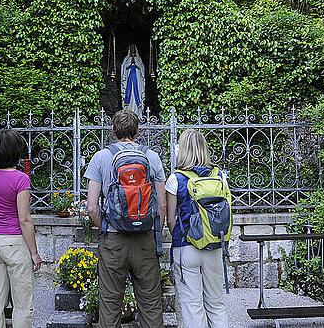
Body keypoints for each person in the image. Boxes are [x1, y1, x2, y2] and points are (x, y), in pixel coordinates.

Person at [85, 109, 166, 328]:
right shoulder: (151, 157)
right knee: (150, 304)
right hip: (145, 240)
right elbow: (162, 205)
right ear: (138, 131)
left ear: (113, 131)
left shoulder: (101, 158)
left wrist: (105, 227)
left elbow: (92, 207)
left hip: (113, 241)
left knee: (110, 304)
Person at [166, 129, 229, 328]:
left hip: (186, 248)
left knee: (192, 305)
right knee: (216, 303)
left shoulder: (175, 179)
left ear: (183, 150)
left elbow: (170, 220)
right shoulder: (220, 176)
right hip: (214, 246)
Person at [0, 129, 42, 328]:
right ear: (17, 151)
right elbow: (24, 219)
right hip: (15, 243)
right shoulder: (21, 179)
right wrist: (34, 253)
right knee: (22, 304)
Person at [121, 44, 145, 119]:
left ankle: (137, 113)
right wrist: (130, 64)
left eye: (133, 48)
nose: (132, 49)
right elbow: (123, 68)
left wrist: (136, 64)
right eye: (131, 48)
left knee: (136, 95)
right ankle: (128, 112)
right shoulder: (127, 59)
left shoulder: (138, 59)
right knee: (129, 95)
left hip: (137, 81)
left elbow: (142, 68)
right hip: (129, 80)